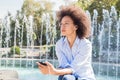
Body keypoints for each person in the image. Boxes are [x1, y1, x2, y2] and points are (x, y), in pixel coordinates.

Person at [37, 5, 96, 80]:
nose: (62, 27)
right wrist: (50, 69)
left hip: (85, 78)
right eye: (61, 24)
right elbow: (64, 66)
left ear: (76, 27)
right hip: (70, 76)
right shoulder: (59, 45)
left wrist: (54, 72)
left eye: (66, 23)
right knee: (65, 77)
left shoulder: (85, 44)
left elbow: (73, 68)